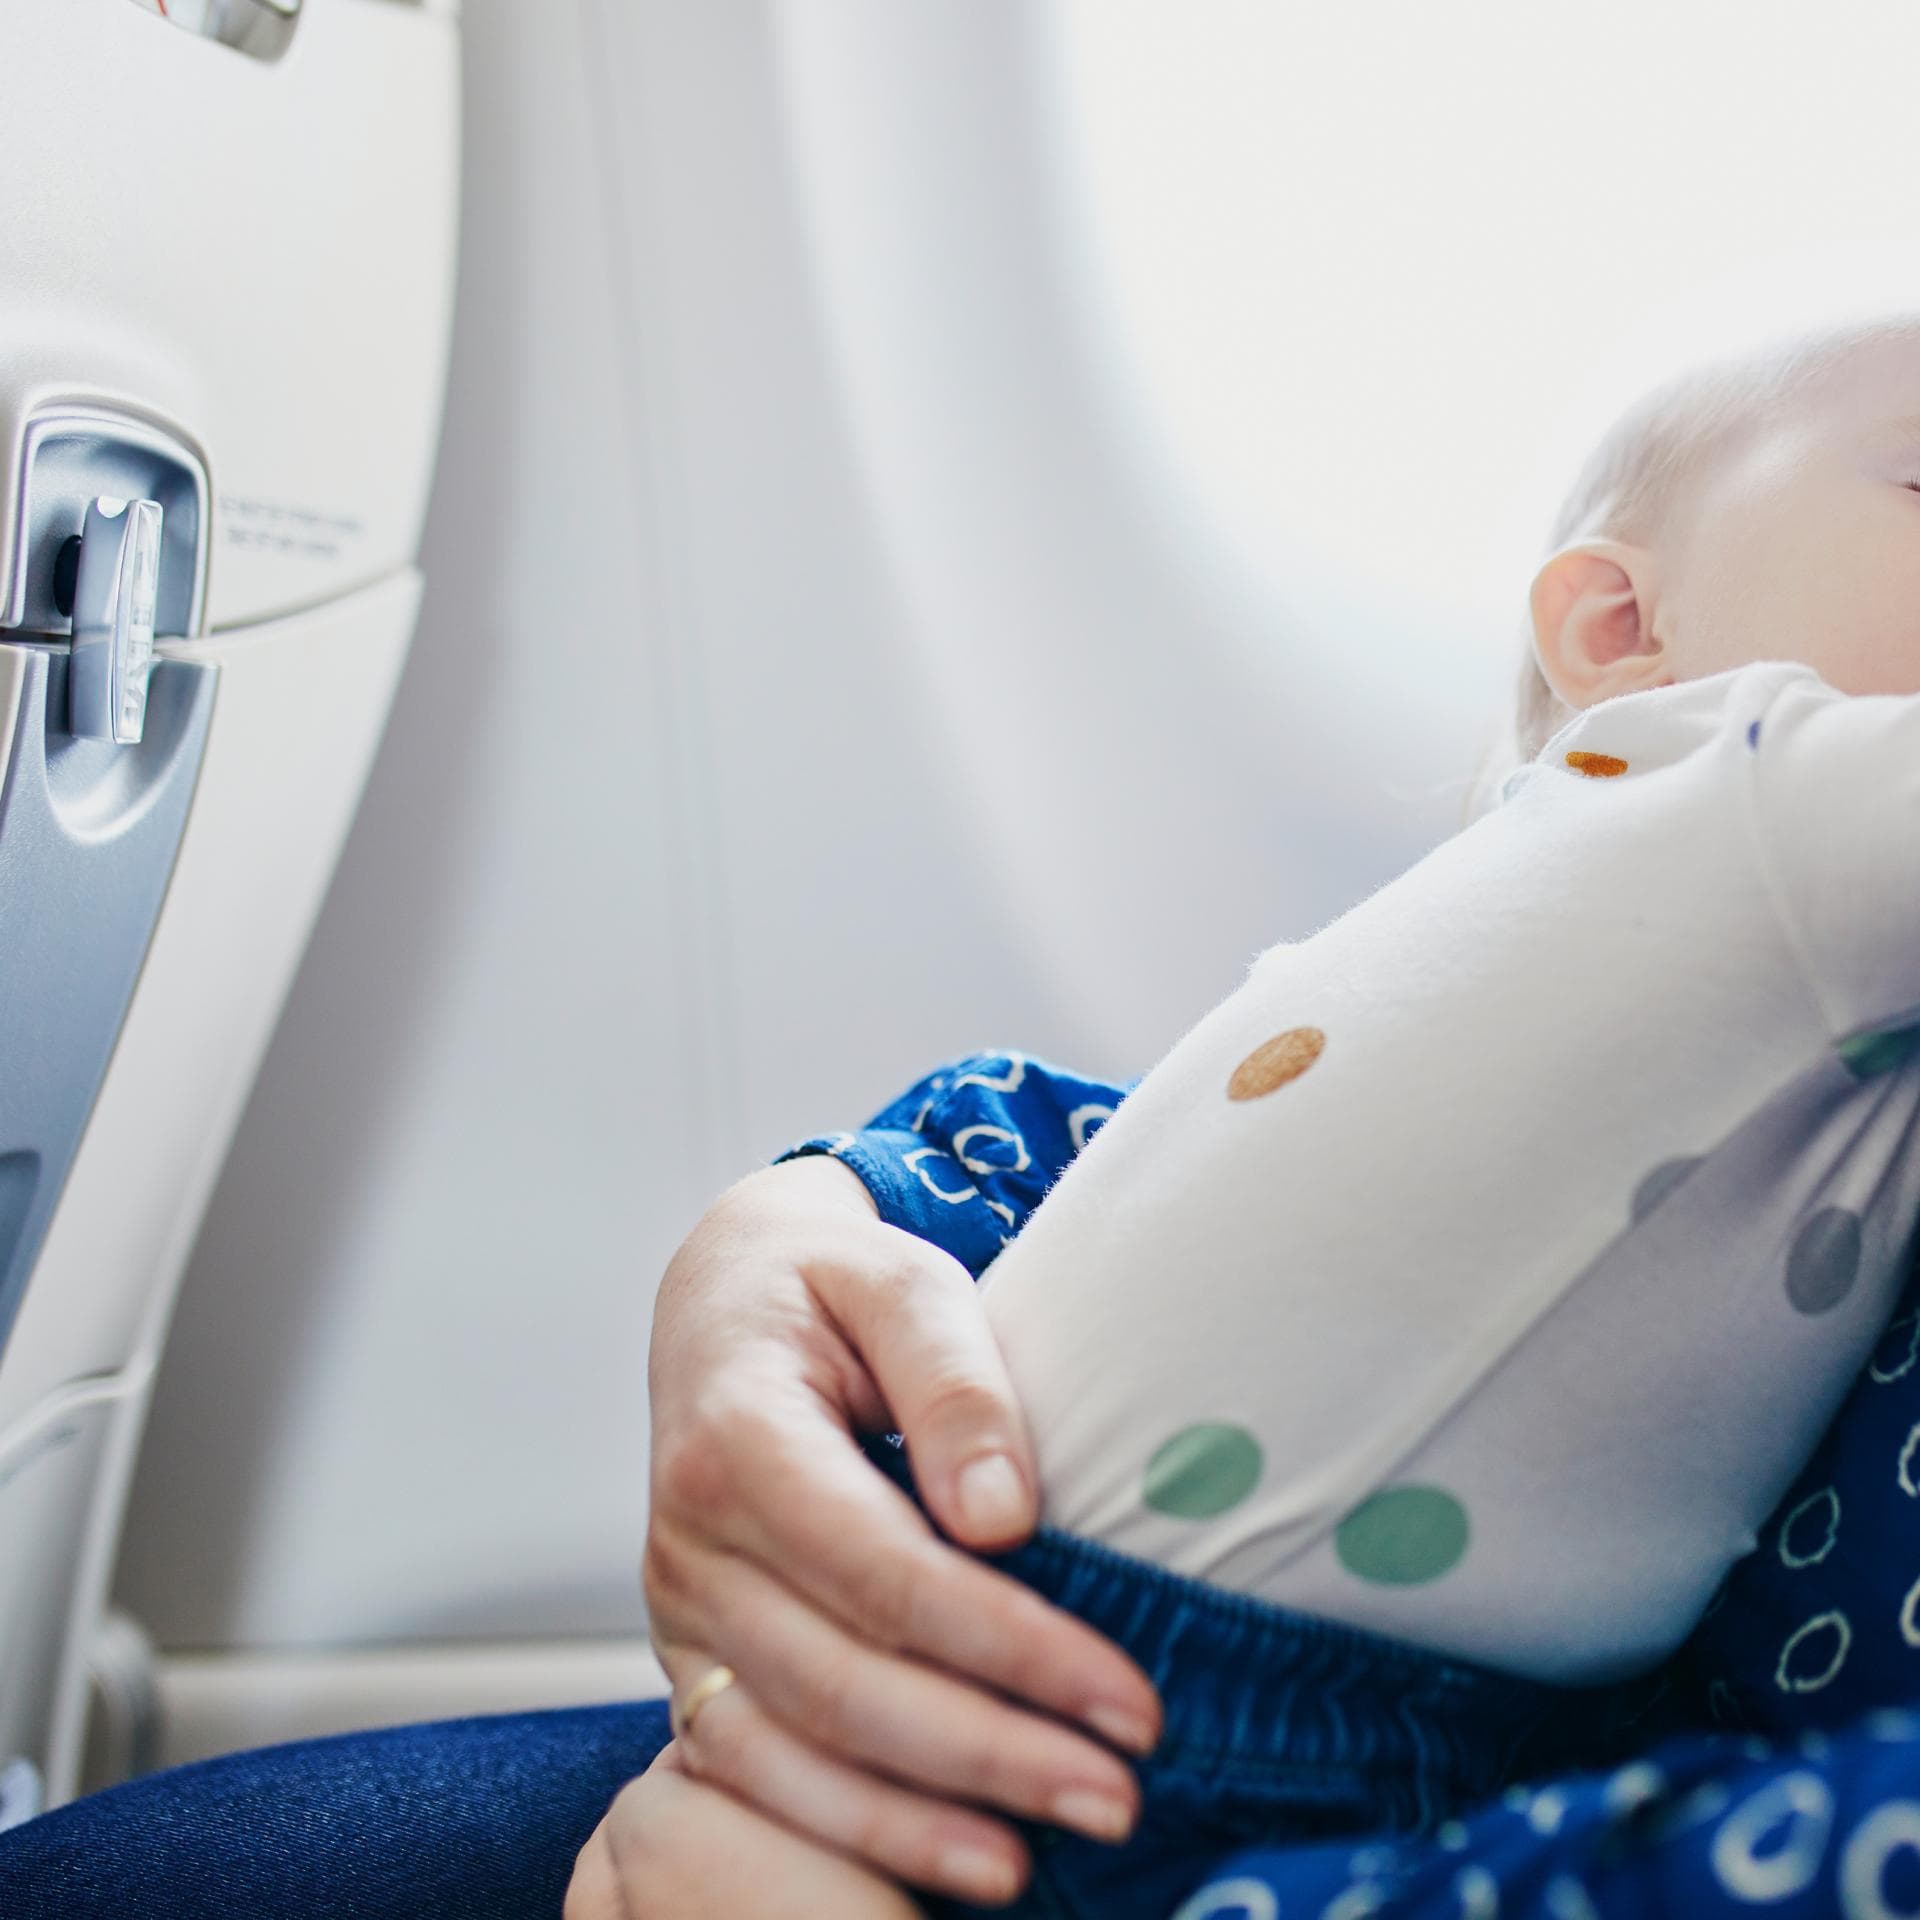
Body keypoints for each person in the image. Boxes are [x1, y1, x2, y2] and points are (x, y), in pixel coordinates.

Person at [14, 314, 1920, 1919]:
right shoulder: (1745, 789)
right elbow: (1207, 1147)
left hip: (1390, 1775)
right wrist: (847, 1213)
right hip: (1129, 1658)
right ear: (1617, 629)